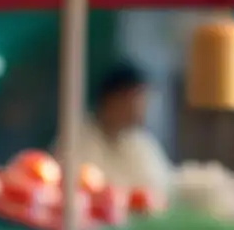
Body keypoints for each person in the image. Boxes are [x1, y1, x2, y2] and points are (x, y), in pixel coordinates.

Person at [59, 62, 172, 194]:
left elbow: (163, 186)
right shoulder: (76, 142)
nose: (140, 108)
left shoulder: (140, 143)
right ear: (111, 100)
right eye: (133, 98)